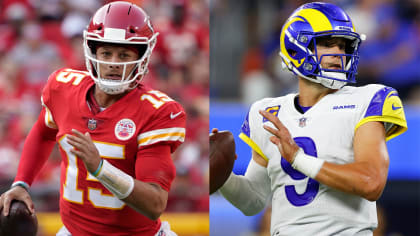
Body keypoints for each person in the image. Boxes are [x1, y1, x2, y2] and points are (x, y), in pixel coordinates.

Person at [214, 2, 407, 235]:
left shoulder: (368, 99)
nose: (339, 53)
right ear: (296, 49)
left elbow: (371, 182)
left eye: (344, 45)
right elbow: (252, 200)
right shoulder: (267, 112)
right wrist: (221, 176)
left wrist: (298, 158)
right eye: (327, 43)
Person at [0, 2, 186, 236]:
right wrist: (22, 182)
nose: (114, 63)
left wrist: (100, 168)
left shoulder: (157, 111)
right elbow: (42, 132)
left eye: (124, 54)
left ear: (142, 57)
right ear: (92, 52)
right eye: (106, 53)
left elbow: (155, 204)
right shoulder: (63, 88)